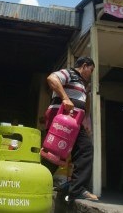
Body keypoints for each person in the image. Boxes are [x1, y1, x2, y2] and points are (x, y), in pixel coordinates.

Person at [41, 56, 98, 202]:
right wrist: (65, 98)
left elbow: (85, 102)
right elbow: (52, 78)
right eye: (91, 70)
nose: (91, 74)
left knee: (81, 150)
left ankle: (75, 188)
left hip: (75, 122)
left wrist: (86, 120)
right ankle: (74, 189)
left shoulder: (82, 84)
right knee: (56, 154)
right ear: (85, 66)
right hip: (63, 120)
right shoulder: (70, 74)